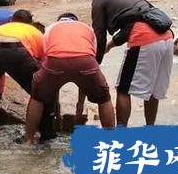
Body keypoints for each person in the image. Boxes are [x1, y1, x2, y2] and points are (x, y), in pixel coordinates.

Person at [89, 0, 174, 127]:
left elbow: (98, 35)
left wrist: (95, 64)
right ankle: (150, 130)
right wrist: (110, 46)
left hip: (145, 39)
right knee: (153, 91)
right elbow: (132, 25)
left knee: (123, 89)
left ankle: (121, 135)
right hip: (167, 38)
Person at [24, 13, 115, 144]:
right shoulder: (87, 28)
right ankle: (111, 141)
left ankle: (28, 140)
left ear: (59, 20)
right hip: (85, 61)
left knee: (37, 97)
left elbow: (46, 56)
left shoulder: (51, 28)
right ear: (76, 21)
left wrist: (55, 105)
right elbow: (90, 57)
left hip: (56, 60)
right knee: (104, 98)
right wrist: (80, 106)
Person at [0, 10, 57, 141]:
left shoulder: (2, 27)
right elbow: (44, 65)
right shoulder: (34, 32)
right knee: (41, 92)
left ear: (12, 20)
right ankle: (47, 134)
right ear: (30, 22)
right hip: (16, 50)